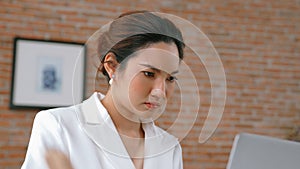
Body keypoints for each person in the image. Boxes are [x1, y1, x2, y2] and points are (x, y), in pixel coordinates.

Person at [21, 11, 185, 169]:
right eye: (149, 74)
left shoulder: (169, 147)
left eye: (170, 78)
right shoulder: (58, 126)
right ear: (112, 66)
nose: (160, 92)